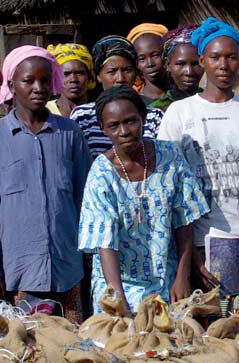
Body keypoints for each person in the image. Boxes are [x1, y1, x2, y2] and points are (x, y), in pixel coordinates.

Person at [158, 17, 239, 312]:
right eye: (215, 57)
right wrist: (191, 254)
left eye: (231, 57)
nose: (224, 65)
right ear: (202, 60)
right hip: (204, 241)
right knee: (211, 336)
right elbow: (174, 188)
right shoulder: (180, 113)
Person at [0, 46, 93, 322]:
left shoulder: (69, 133)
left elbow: (85, 200)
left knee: (69, 356)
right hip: (16, 274)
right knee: (21, 355)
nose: (38, 88)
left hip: (67, 269)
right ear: (11, 85)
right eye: (28, 81)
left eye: (45, 80)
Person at [78, 86, 210, 310]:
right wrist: (118, 299)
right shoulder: (101, 173)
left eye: (130, 121)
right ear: (103, 129)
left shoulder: (170, 155)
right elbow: (105, 241)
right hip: (117, 285)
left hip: (165, 281)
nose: (124, 131)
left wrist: (182, 277)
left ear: (144, 118)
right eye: (113, 126)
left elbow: (184, 222)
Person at [71, 36, 163, 154]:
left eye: (127, 70)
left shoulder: (153, 116)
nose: (120, 78)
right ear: (98, 76)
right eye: (112, 71)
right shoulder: (83, 116)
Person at [128, 22, 173, 108]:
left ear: (166, 54)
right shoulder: (135, 105)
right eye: (142, 59)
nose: (150, 64)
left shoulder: (183, 93)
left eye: (155, 55)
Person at [48, 43, 95, 117]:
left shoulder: (98, 113)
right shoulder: (45, 112)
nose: (73, 79)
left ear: (89, 76)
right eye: (66, 74)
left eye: (79, 73)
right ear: (57, 77)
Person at [162, 26, 203, 101]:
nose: (189, 72)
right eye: (181, 64)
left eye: (195, 64)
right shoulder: (158, 110)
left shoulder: (215, 103)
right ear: (167, 64)